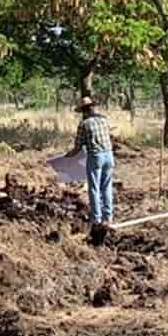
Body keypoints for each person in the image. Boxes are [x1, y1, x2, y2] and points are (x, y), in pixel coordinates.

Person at [68, 96, 116, 238]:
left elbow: (78, 148)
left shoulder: (84, 123)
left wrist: (66, 157)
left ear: (83, 111)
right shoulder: (103, 119)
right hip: (109, 155)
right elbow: (109, 137)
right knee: (106, 187)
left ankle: (96, 219)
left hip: (95, 157)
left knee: (94, 188)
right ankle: (108, 217)